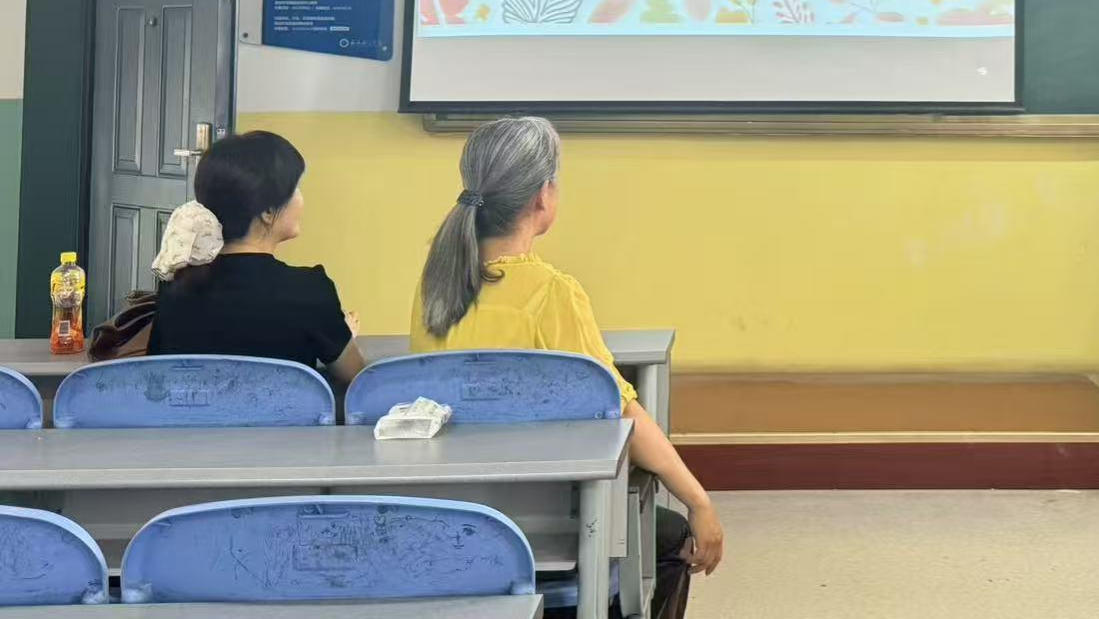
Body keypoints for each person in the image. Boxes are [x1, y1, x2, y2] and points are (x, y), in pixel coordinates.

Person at [410, 116, 724, 619]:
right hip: (550, 526)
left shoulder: (435, 290)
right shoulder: (553, 293)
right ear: (543, 197)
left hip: (448, 521)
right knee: (671, 537)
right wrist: (699, 500)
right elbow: (621, 415)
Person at [149, 131, 365, 384]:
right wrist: (340, 335)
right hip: (286, 413)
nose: (300, 197)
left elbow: (156, 379)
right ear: (268, 211)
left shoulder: (177, 286)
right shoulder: (310, 290)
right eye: (295, 189)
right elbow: (357, 380)